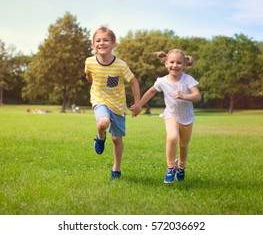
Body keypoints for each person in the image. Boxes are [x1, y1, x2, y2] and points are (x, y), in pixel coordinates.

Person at [131, 49, 201, 183]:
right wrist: (139, 105)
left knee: (183, 146)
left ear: (184, 65)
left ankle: (180, 166)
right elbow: (151, 92)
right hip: (171, 115)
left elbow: (197, 96)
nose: (175, 65)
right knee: (172, 137)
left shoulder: (188, 80)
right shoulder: (162, 81)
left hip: (187, 117)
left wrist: (183, 96)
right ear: (166, 63)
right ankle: (170, 168)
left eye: (179, 63)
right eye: (172, 62)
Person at [85, 26, 141, 181]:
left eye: (106, 40)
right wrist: (92, 82)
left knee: (117, 139)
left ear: (114, 44)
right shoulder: (89, 62)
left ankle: (116, 168)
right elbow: (89, 77)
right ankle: (100, 137)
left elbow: (134, 82)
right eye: (98, 40)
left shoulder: (121, 65)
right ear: (93, 45)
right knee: (103, 123)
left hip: (118, 105)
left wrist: (138, 104)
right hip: (99, 100)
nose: (102, 43)